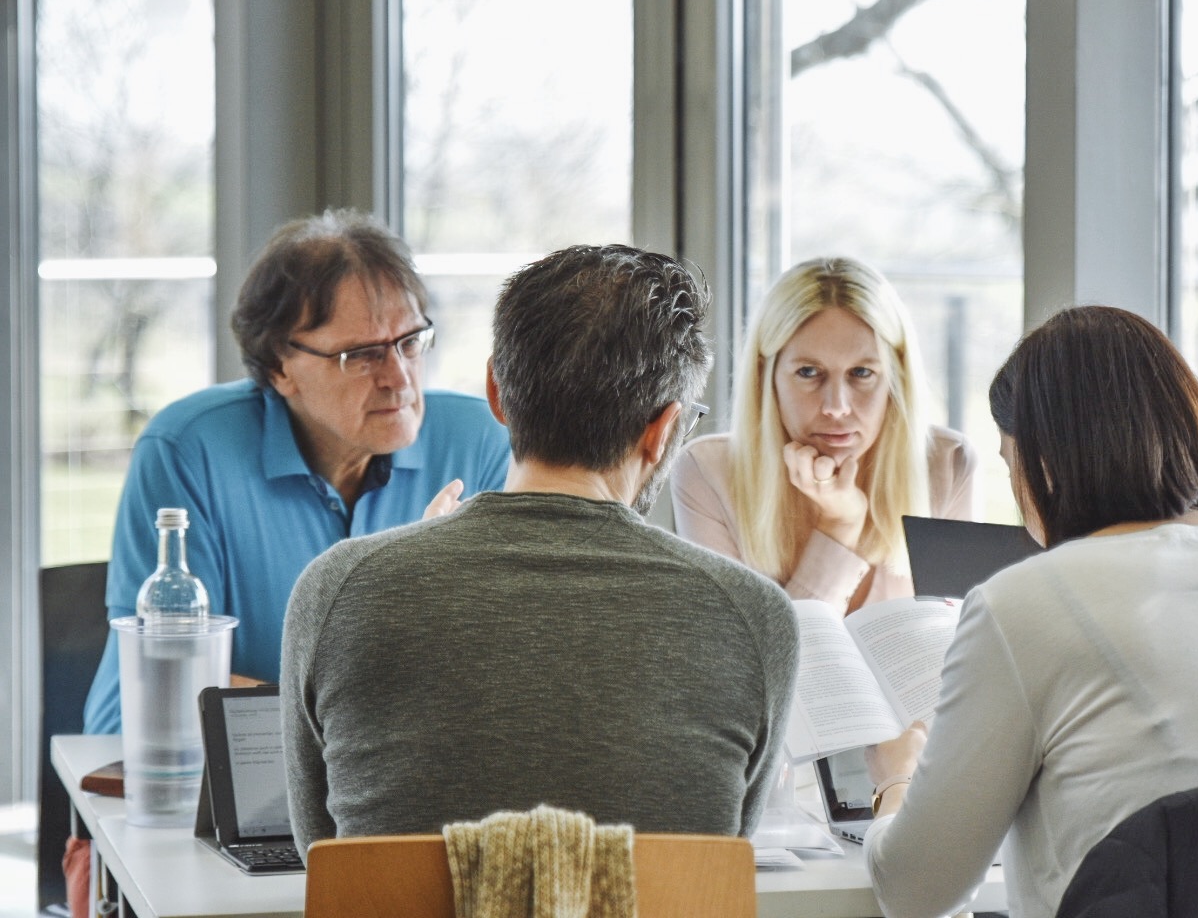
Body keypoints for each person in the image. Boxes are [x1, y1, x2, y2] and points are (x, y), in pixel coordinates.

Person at [862, 306, 1198, 918]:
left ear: (1044, 461)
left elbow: (916, 892)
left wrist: (896, 779)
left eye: (1010, 463)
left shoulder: (1024, 601)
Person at [280, 244, 799, 850]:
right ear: (661, 432)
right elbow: (726, 854)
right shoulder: (755, 617)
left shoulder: (336, 588)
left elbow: (322, 858)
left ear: (496, 392)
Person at [81, 211, 510, 733]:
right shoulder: (187, 449)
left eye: (410, 342)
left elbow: (501, 670)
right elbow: (164, 696)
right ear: (280, 366)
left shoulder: (481, 439)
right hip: (188, 785)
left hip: (396, 786)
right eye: (362, 355)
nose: (399, 379)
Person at [671, 256, 974, 612]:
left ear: (896, 379)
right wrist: (839, 526)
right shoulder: (708, 472)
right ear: (766, 376)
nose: (836, 406)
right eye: (808, 372)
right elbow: (753, 664)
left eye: (861, 373)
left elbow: (955, 650)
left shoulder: (946, 464)